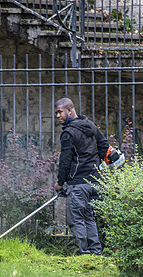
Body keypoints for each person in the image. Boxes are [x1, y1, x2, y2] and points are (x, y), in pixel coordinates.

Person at [54, 97, 109, 255]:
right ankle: (95, 251)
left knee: (76, 219)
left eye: (60, 112)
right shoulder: (91, 125)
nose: (58, 116)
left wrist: (60, 182)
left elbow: (65, 161)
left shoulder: (68, 133)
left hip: (78, 184)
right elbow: (104, 146)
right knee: (89, 217)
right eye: (56, 113)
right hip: (94, 182)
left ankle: (84, 253)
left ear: (70, 110)